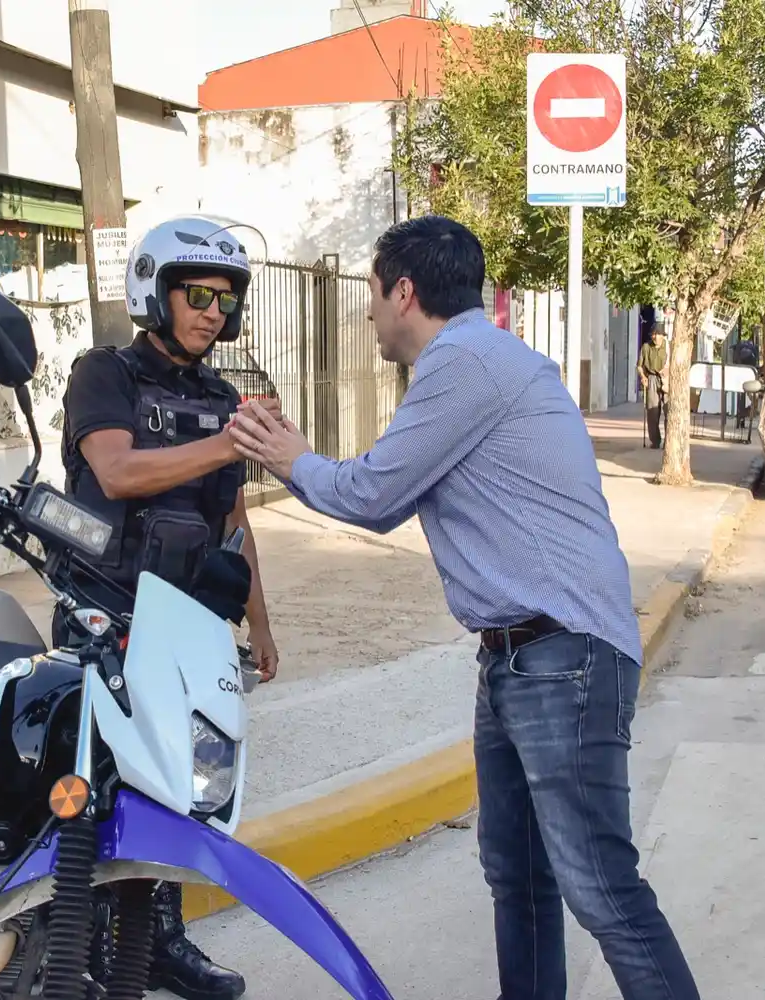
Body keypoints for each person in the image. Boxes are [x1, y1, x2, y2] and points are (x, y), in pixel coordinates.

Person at [229, 215, 699, 1000]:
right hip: (520, 657)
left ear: (404, 291)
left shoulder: (465, 363)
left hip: (563, 657)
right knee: (518, 876)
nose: (369, 314)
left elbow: (375, 494)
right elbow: (383, 487)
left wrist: (289, 457)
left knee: (600, 886)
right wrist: (306, 453)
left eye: (373, 295)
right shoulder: (475, 361)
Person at [56, 214, 280, 1000]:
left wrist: (259, 617)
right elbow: (115, 473)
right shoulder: (103, 373)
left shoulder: (224, 396)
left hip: (186, 618)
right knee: (91, 781)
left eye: (225, 299)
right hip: (100, 606)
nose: (212, 311)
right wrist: (229, 443)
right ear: (157, 291)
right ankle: (72, 942)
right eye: (197, 294)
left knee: (186, 781)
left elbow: (233, 522)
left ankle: (161, 944)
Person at [637, 321, 668, 448]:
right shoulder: (646, 347)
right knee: (652, 411)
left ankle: (669, 442)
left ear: (662, 335)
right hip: (652, 378)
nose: (655, 337)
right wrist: (643, 377)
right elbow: (639, 366)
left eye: (658, 334)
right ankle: (655, 441)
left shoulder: (668, 347)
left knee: (668, 411)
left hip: (666, 379)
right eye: (653, 334)